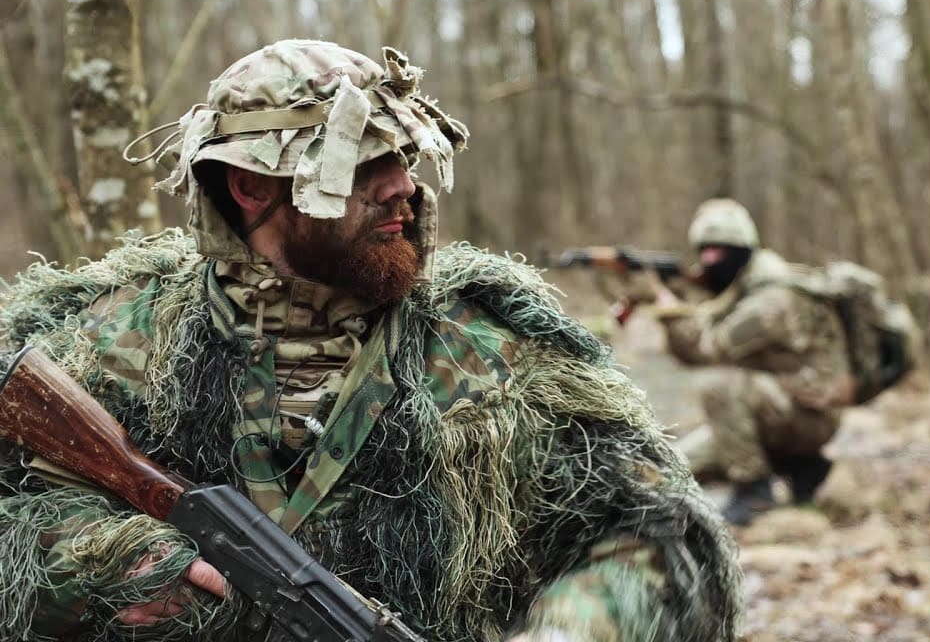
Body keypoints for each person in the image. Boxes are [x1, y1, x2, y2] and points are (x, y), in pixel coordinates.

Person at [0, 40, 739, 641]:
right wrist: (99, 565)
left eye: (405, 158)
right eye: (358, 162)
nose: (401, 188)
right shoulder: (107, 344)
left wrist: (571, 631)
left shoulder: (499, 351)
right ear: (251, 187)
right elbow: (19, 516)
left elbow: (663, 539)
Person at [648, 198, 917, 526]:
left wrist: (668, 307)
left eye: (718, 254)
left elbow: (707, 349)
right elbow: (689, 352)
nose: (708, 263)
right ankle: (804, 469)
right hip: (782, 409)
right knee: (673, 467)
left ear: (742, 250)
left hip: (810, 416)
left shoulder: (771, 300)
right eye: (703, 253)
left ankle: (755, 492)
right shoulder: (745, 289)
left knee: (717, 385)